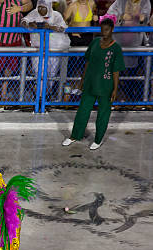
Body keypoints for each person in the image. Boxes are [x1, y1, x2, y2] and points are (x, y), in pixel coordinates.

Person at [62, 16, 125, 150]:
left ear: (112, 29)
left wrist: (115, 89)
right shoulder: (95, 42)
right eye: (102, 30)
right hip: (90, 83)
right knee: (83, 110)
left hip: (106, 85)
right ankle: (75, 135)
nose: (104, 33)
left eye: (107, 30)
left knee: (103, 113)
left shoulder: (116, 48)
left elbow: (116, 70)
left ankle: (98, 139)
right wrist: (82, 79)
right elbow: (88, 62)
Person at [22, 0, 70, 97]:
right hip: (38, 49)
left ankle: (47, 95)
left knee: (52, 73)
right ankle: (40, 96)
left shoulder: (56, 15)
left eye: (43, 8)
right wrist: (30, 24)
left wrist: (50, 27)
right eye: (39, 7)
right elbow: (23, 21)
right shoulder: (34, 13)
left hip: (53, 49)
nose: (40, 10)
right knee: (39, 72)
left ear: (48, 7)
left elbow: (63, 28)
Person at [107, 0, 150, 101]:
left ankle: (138, 100)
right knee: (119, 74)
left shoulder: (145, 2)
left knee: (136, 75)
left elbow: (145, 19)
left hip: (136, 45)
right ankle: (123, 100)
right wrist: (121, 17)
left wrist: (141, 18)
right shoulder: (120, 2)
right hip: (119, 45)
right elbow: (108, 17)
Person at [0, 0, 29, 101]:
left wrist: (20, 8)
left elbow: (30, 4)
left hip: (14, 37)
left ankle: (4, 90)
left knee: (11, 66)